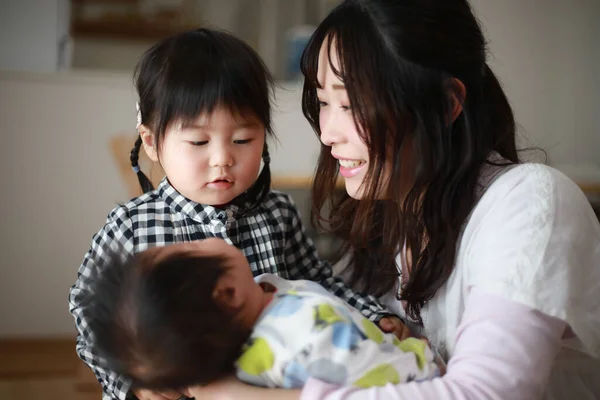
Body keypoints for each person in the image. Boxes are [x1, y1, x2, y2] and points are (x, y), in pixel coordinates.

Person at [185, 0, 600, 399]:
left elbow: (484, 394)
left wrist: (230, 395)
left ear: (445, 102)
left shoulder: (531, 202)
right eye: (325, 102)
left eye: (350, 104)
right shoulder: (387, 219)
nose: (328, 132)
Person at [68, 28, 404, 400]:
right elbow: (91, 313)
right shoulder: (131, 227)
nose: (222, 158)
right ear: (152, 142)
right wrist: (137, 383)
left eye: (243, 139)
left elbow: (316, 283)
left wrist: (371, 314)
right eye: (198, 142)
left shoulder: (276, 213)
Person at [82, 238, 441, 393]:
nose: (200, 239)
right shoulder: (303, 330)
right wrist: (420, 355)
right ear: (227, 293)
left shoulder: (260, 311)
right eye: (191, 246)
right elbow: (381, 383)